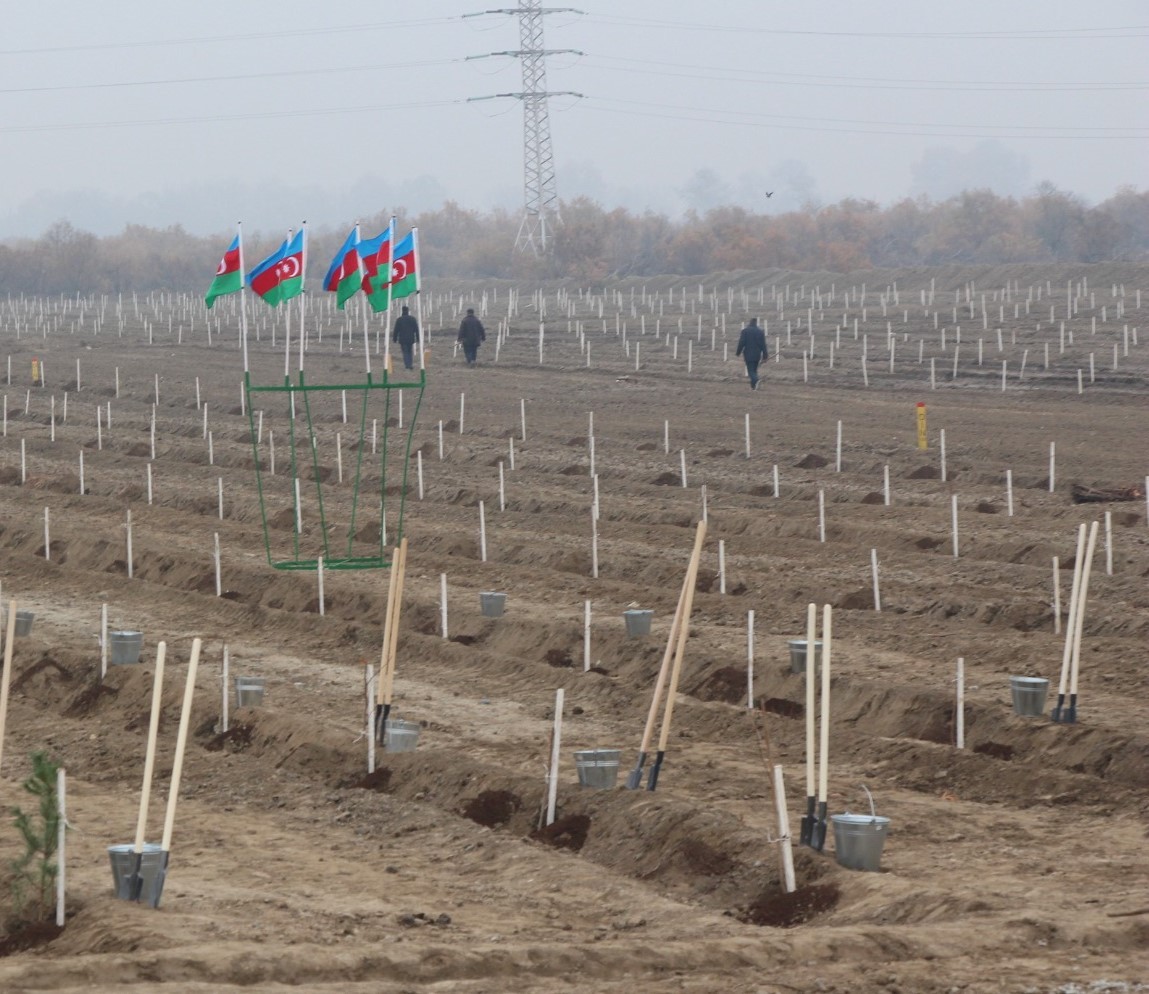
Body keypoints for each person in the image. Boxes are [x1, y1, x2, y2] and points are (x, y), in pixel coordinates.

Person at [735, 317, 768, 389]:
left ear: (750, 323)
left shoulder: (745, 331)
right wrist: (765, 356)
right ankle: (754, 387)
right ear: (756, 323)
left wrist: (738, 352)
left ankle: (756, 380)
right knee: (754, 370)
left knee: (751, 371)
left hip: (748, 354)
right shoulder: (760, 332)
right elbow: (763, 345)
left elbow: (741, 343)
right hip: (757, 355)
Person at [392, 305, 420, 370]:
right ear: (408, 311)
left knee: (405, 352)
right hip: (411, 339)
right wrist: (418, 338)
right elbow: (416, 329)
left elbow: (396, 330)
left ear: (402, 311)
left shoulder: (399, 320)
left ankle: (407, 365)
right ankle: (410, 364)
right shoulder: (413, 319)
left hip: (402, 339)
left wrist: (394, 339)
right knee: (410, 352)